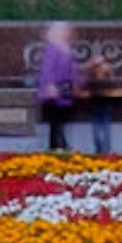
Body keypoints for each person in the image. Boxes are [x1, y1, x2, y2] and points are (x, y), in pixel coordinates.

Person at [32, 25, 81, 153]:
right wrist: (50, 86)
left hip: (65, 90)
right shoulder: (53, 49)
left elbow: (73, 70)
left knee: (62, 119)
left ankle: (62, 144)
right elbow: (47, 70)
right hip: (54, 91)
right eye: (64, 32)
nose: (67, 35)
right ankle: (55, 145)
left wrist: (75, 84)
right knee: (56, 119)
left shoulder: (66, 49)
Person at [79, 41, 115, 158]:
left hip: (95, 100)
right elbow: (112, 84)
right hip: (104, 99)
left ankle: (99, 148)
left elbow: (84, 84)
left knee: (97, 125)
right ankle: (106, 148)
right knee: (104, 124)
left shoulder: (91, 74)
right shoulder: (107, 73)